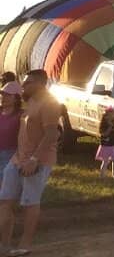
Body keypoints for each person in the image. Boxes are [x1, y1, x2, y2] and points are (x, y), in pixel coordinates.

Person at [0, 70, 61, 256]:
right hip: (18, 159)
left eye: (27, 83)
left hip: (38, 161)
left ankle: (25, 245)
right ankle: (4, 244)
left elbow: (52, 134)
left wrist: (34, 159)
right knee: (4, 200)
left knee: (30, 202)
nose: (23, 86)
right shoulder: (31, 102)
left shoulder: (50, 104)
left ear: (39, 84)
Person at [0, 83, 21, 250]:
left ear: (16, 98)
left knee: (6, 204)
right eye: (3, 94)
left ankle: (5, 244)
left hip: (11, 159)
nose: (4, 97)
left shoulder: (21, 116)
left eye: (7, 94)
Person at [96, 107, 114, 178]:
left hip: (113, 145)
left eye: (113, 115)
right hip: (105, 146)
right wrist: (109, 126)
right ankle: (102, 175)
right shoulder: (103, 125)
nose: (111, 117)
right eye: (109, 115)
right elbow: (104, 134)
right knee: (105, 161)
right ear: (105, 116)